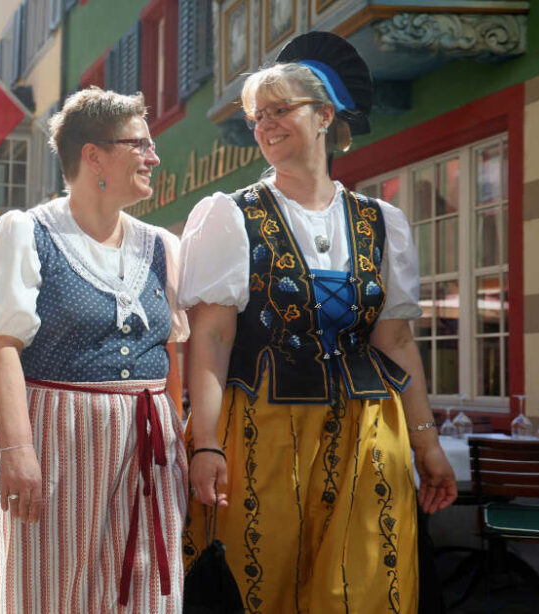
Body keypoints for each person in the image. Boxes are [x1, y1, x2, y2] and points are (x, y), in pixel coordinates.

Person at [179, 32, 457, 613]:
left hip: (367, 425)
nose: (265, 125)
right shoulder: (230, 216)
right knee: (263, 584)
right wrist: (205, 443)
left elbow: (396, 338)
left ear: (325, 115)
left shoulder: (381, 221)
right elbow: (210, 337)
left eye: (280, 110)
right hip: (261, 429)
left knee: (364, 584)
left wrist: (427, 441)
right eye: (258, 115)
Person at [0, 87, 188, 614]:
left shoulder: (161, 245)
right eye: (140, 144)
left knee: (140, 592)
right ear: (93, 155)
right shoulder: (28, 233)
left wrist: (182, 444)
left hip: (145, 446)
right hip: (56, 440)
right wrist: (17, 450)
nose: (153, 156)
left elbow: (173, 354)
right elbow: (1, 345)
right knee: (43, 590)